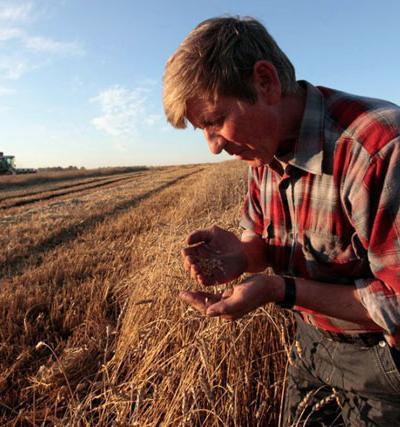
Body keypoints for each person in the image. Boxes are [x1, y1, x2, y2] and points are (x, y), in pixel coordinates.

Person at [163, 16, 400, 426]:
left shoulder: (378, 148)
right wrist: (242, 255)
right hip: (309, 345)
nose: (213, 147)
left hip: (381, 363)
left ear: (265, 82)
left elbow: (395, 303)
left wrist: (279, 289)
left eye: (215, 121)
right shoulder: (263, 151)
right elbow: (263, 239)